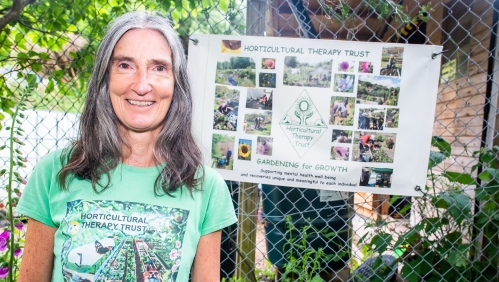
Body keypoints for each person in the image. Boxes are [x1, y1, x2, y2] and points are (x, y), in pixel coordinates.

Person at [16, 12, 237, 282]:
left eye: (159, 67)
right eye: (125, 65)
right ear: (105, 78)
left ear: (176, 83)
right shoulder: (54, 172)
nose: (142, 85)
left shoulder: (206, 187)